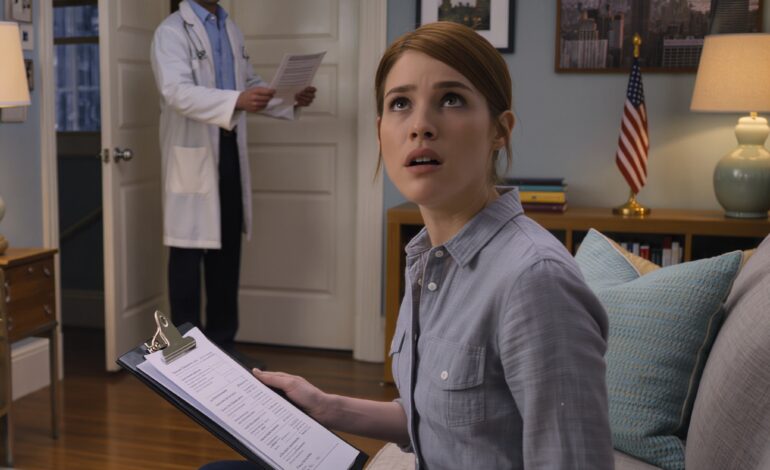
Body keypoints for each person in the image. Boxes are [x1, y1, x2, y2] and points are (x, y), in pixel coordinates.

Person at [203, 21, 613, 469]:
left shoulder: (536, 283)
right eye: (400, 103)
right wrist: (324, 405)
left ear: (500, 130)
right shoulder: (427, 259)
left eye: (451, 99)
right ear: (381, 131)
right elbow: (434, 419)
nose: (420, 126)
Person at [150, 0, 316, 350]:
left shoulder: (230, 28)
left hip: (228, 150)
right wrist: (238, 100)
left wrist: (289, 98)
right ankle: (184, 357)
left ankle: (224, 349)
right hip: (192, 156)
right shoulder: (171, 32)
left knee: (227, 256)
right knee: (187, 259)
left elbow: (249, 83)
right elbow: (176, 92)